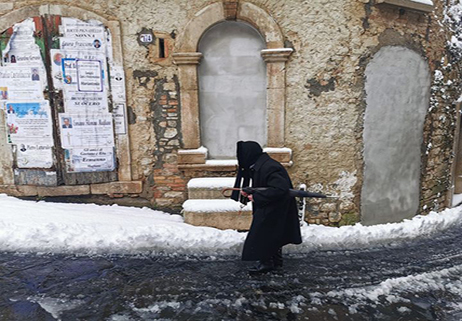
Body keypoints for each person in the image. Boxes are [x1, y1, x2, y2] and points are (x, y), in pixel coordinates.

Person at [231, 141, 302, 275]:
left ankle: (267, 263)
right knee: (272, 235)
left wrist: (256, 197)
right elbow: (263, 186)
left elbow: (280, 189)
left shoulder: (270, 167)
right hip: (271, 207)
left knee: (264, 234)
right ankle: (274, 262)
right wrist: (251, 193)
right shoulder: (262, 165)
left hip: (276, 208)